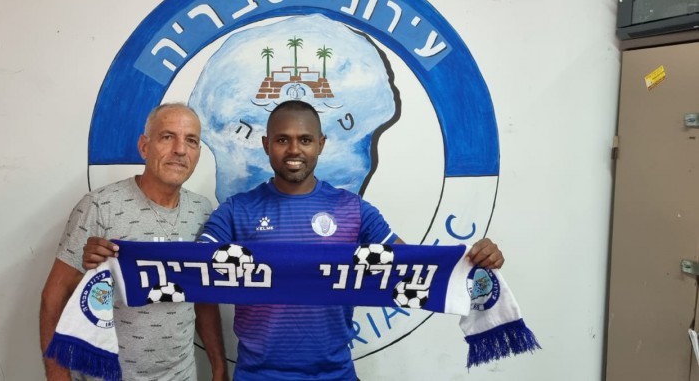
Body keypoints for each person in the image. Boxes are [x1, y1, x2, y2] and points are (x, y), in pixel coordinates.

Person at [83, 100, 505, 380]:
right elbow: (190, 267)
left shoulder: (354, 210)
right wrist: (117, 257)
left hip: (335, 374)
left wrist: (470, 264)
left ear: (321, 144)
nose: (293, 150)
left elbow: (413, 266)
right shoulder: (235, 210)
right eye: (282, 140)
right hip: (256, 374)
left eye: (304, 140)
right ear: (267, 145)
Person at [40, 103, 228, 381]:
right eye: (167, 137)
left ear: (198, 153)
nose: (180, 149)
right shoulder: (100, 206)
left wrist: (219, 366)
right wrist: (58, 378)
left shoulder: (202, 211)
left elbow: (202, 298)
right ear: (144, 147)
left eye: (191, 141)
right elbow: (53, 298)